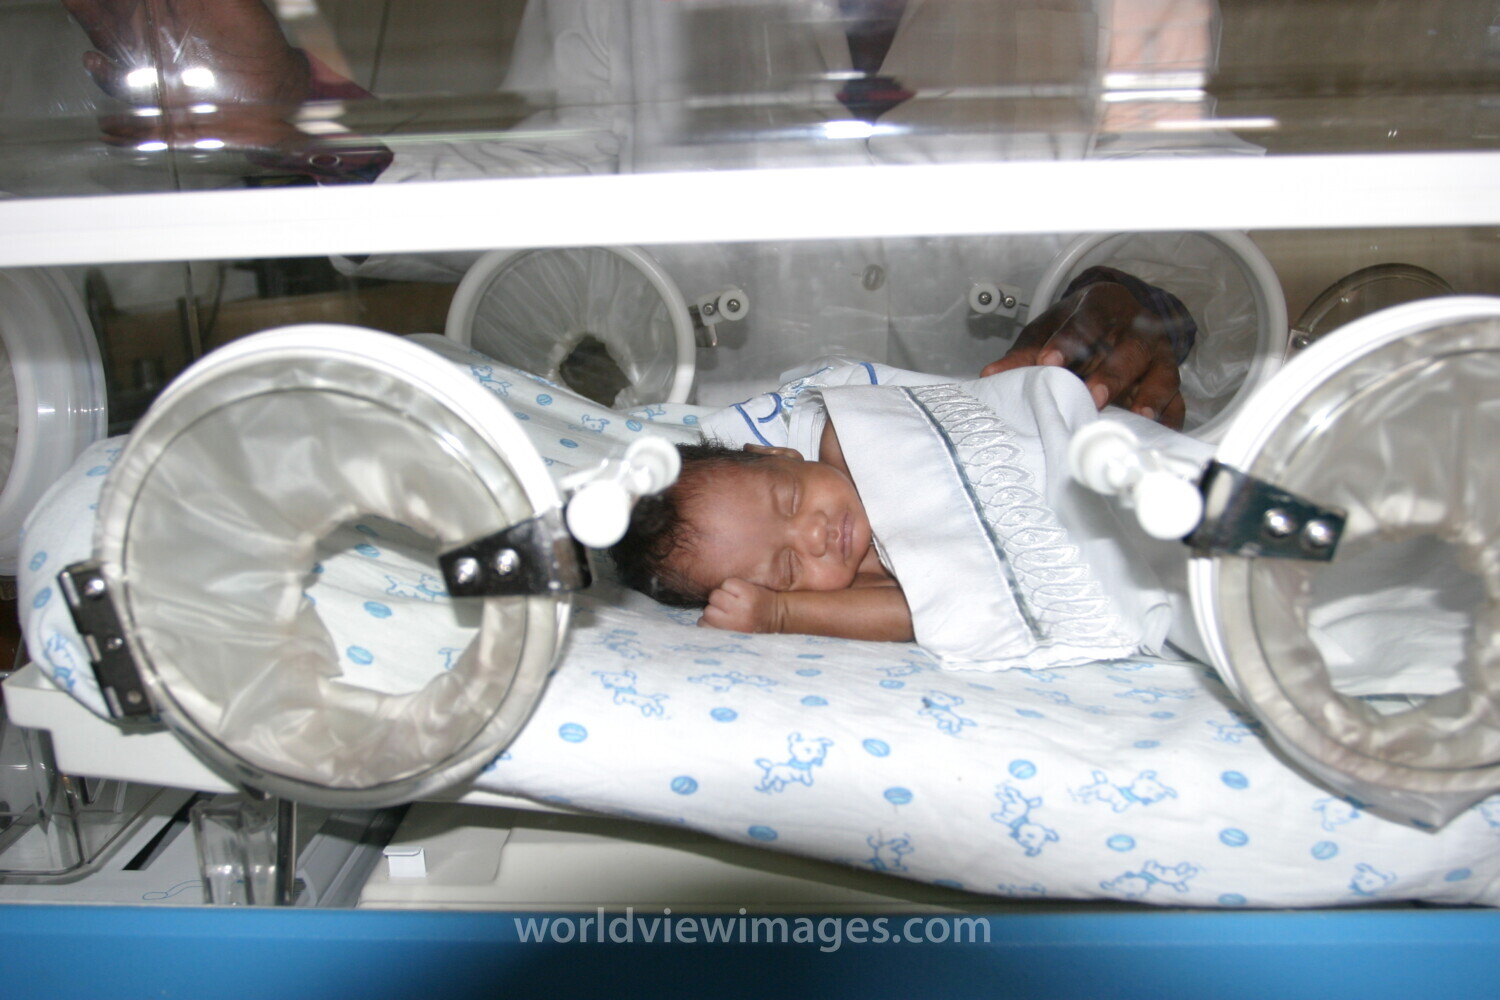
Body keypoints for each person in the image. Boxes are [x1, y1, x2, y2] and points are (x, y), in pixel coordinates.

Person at [60, 0, 1216, 423]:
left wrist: (1144, 296)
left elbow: (1189, 187)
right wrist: (288, 150)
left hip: (1039, 450)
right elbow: (560, 176)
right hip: (717, 462)